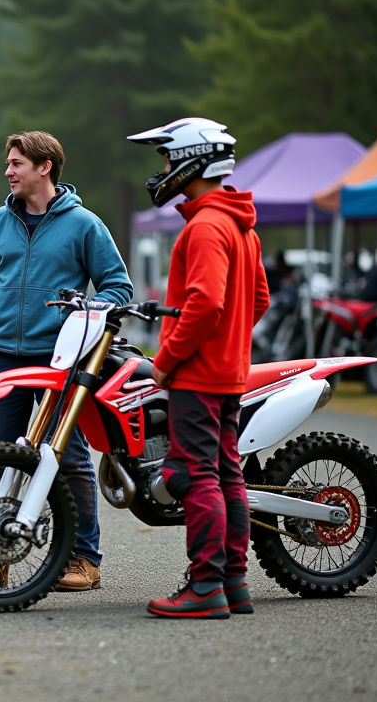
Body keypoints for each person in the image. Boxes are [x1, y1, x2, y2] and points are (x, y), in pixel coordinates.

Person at [0, 131, 132, 591]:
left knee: (70, 459)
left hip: (61, 363)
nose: (8, 171)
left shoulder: (84, 225)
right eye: (9, 163)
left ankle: (83, 559)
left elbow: (117, 288)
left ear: (44, 167)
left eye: (16, 163)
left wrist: (79, 321)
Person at [128, 117, 269, 619]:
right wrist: (229, 346)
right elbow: (257, 299)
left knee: (194, 475)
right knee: (226, 475)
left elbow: (206, 303)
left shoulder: (206, 226)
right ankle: (234, 582)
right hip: (227, 373)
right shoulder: (237, 223)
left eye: (167, 158)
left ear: (193, 159)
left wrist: (166, 361)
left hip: (197, 376)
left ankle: (205, 587)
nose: (163, 169)